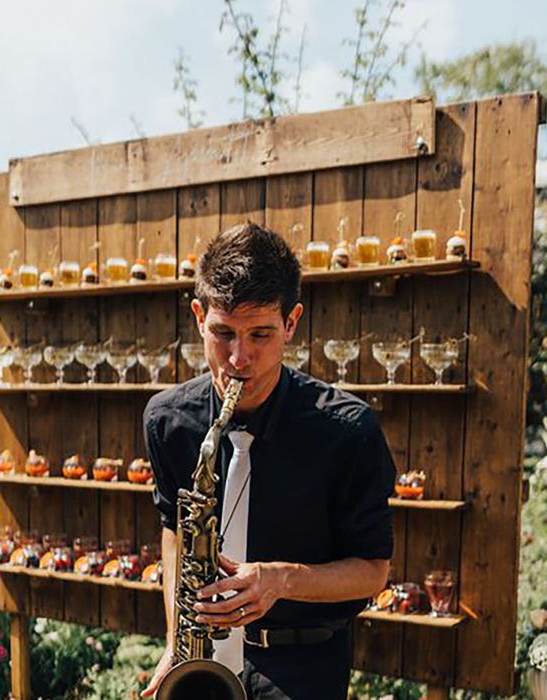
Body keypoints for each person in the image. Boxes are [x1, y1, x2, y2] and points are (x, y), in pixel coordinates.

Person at [141, 222, 394, 700]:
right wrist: (178, 641)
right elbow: (174, 527)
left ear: (292, 322)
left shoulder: (348, 430)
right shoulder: (168, 420)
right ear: (198, 316)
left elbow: (373, 569)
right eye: (223, 334)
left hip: (303, 669)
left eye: (260, 334)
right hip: (204, 661)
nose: (239, 358)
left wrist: (279, 580)